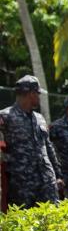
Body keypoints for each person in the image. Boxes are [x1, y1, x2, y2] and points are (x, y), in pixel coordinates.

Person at [0, 75, 62, 208]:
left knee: (52, 219)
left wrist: (58, 175)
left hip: (47, 182)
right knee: (23, 222)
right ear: (32, 94)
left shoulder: (40, 118)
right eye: (38, 94)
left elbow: (48, 147)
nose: (39, 98)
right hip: (22, 184)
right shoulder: (6, 116)